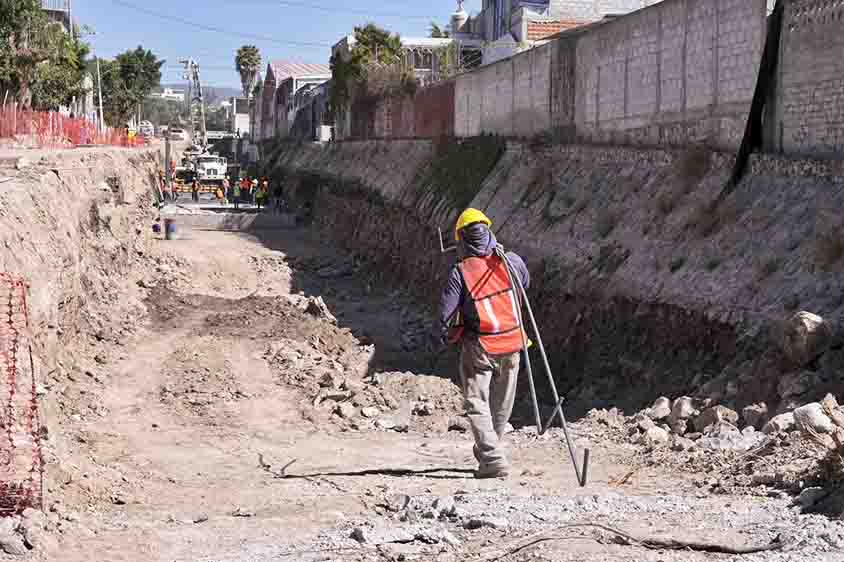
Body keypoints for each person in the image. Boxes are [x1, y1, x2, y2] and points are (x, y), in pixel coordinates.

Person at [433, 208, 529, 479]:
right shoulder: (512, 261)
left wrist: (443, 336)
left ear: (461, 241)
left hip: (481, 346)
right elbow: (524, 285)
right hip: (513, 341)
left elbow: (446, 314)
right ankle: (491, 450)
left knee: (477, 401)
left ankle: (492, 458)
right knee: (502, 402)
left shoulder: (460, 272)